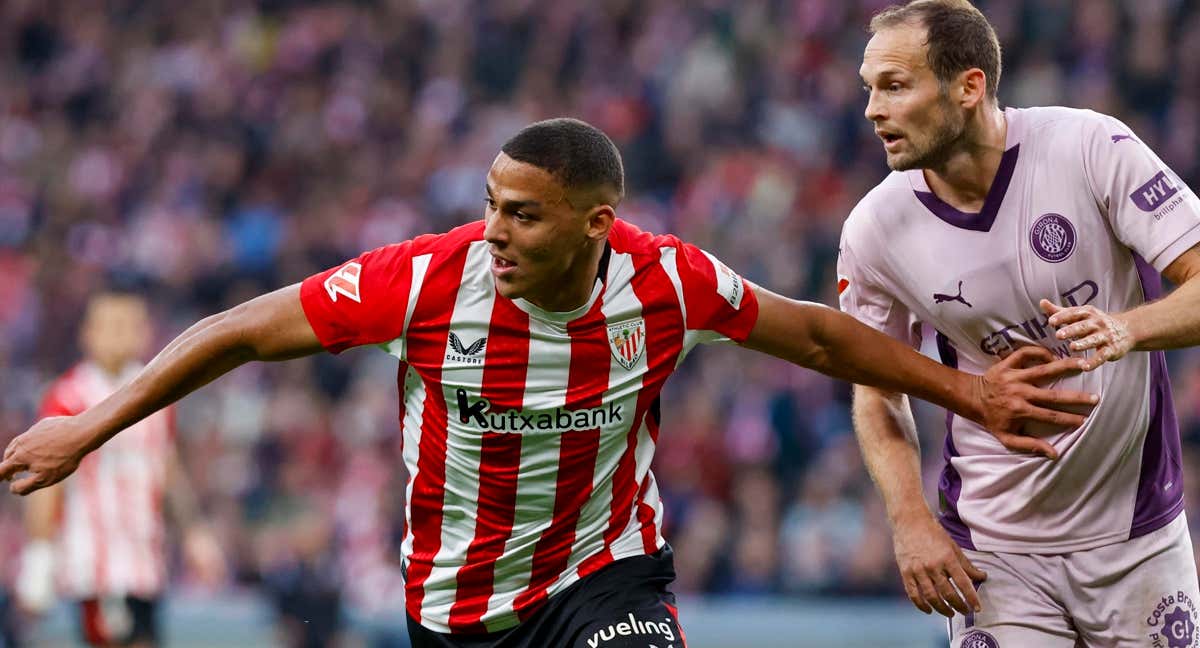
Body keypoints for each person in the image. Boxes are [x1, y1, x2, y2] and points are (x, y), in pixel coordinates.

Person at [0, 118, 1092, 648]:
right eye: (490, 203)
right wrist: (89, 428)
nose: (497, 230)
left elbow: (818, 336)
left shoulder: (667, 280)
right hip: (458, 602)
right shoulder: (425, 280)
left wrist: (974, 395)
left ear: (593, 224)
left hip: (605, 574)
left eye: (522, 213)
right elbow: (240, 331)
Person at [842, 1, 1200, 646]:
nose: (873, 109)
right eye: (869, 89)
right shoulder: (874, 231)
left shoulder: (1090, 147)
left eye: (895, 86)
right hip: (993, 551)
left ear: (969, 85)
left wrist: (1129, 330)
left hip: (1138, 536)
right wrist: (908, 519)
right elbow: (874, 388)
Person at [13, 291, 225, 648]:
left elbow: (167, 468)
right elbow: (46, 479)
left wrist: (194, 532)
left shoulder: (156, 396)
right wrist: (39, 557)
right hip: (98, 566)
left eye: (129, 326)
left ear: (145, 333)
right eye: (111, 326)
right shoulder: (69, 396)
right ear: (88, 334)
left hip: (146, 564)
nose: (120, 335)